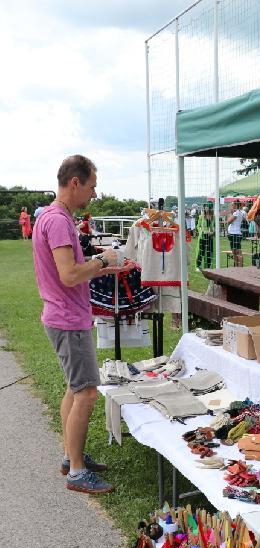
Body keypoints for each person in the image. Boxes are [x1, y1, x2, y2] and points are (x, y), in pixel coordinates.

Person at [32, 154, 132, 495]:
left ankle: (70, 456)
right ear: (75, 182)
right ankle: (76, 470)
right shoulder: (59, 221)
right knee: (87, 393)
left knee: (75, 390)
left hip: (64, 316)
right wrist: (103, 259)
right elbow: (70, 274)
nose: (93, 194)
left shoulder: (52, 216)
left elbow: (74, 269)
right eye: (91, 187)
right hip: (68, 320)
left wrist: (106, 268)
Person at [195, 202, 215, 271]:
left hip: (210, 237)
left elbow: (214, 227)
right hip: (203, 237)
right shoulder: (201, 216)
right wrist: (202, 231)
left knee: (209, 252)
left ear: (210, 208)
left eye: (207, 206)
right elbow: (198, 226)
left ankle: (208, 266)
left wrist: (213, 232)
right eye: (205, 206)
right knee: (201, 252)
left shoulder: (213, 217)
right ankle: (198, 266)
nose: (206, 208)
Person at [227, 200, 245, 267]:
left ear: (235, 205)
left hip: (235, 234)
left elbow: (228, 221)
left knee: (238, 251)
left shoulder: (237, 213)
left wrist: (231, 214)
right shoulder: (237, 212)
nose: (231, 206)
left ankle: (240, 267)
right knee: (234, 251)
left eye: (232, 205)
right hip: (232, 234)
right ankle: (237, 267)